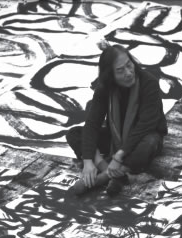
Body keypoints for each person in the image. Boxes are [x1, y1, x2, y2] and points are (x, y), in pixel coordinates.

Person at [66, 44, 168, 196]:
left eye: (129, 65)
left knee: (150, 143)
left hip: (142, 137)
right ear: (110, 75)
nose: (128, 73)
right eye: (120, 70)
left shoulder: (148, 83)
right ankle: (110, 171)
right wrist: (88, 161)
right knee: (74, 134)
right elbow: (92, 123)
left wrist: (119, 156)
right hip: (116, 138)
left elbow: (146, 125)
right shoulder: (104, 87)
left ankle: (103, 177)